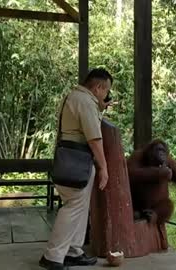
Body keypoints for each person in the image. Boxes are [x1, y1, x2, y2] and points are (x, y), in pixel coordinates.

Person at [39, 68, 113, 270]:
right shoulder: (85, 101)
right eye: (106, 91)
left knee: (78, 208)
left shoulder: (75, 97)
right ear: (98, 87)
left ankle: (72, 251)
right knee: (73, 207)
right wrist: (104, 168)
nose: (105, 95)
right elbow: (94, 138)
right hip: (78, 161)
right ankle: (52, 256)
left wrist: (100, 108)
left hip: (69, 160)